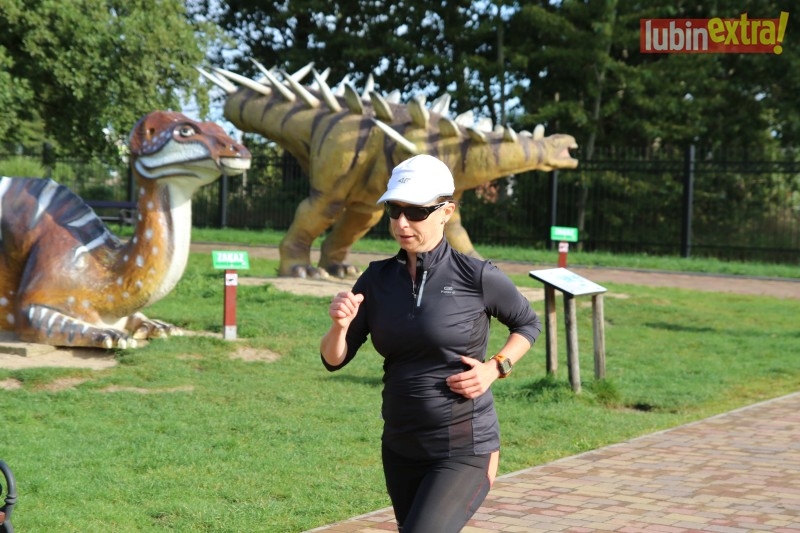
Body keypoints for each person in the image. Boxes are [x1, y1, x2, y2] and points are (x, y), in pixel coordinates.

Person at [320, 154, 542, 533]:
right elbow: (333, 359)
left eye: (416, 212)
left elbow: (527, 323)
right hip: (400, 447)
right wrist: (339, 327)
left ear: (446, 212)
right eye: (394, 211)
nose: (402, 223)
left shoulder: (477, 276)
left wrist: (495, 367)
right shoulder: (376, 279)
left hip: (464, 449)